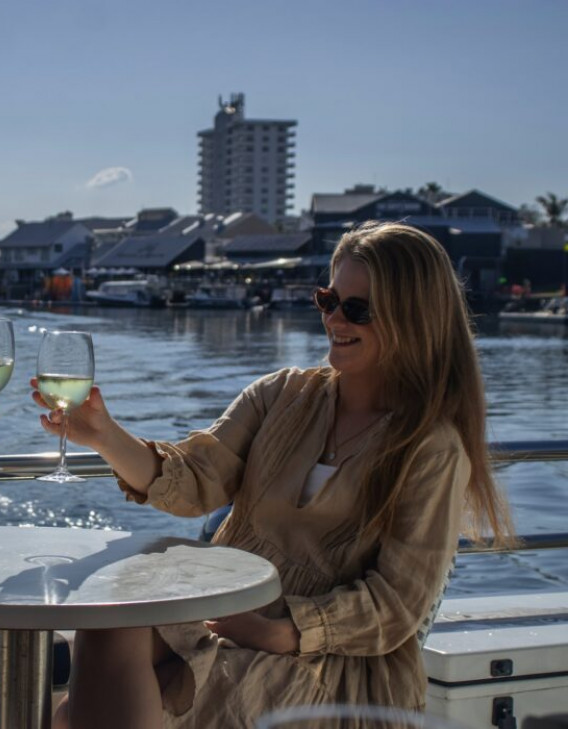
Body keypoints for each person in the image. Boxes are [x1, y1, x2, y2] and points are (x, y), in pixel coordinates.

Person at [31, 221, 516, 729]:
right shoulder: (281, 395)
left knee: (83, 712)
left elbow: (397, 605)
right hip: (229, 606)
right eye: (329, 299)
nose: (334, 319)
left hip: (334, 660)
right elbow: (196, 481)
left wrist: (281, 632)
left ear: (414, 320)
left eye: (357, 309)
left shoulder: (431, 448)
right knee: (109, 621)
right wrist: (104, 435)